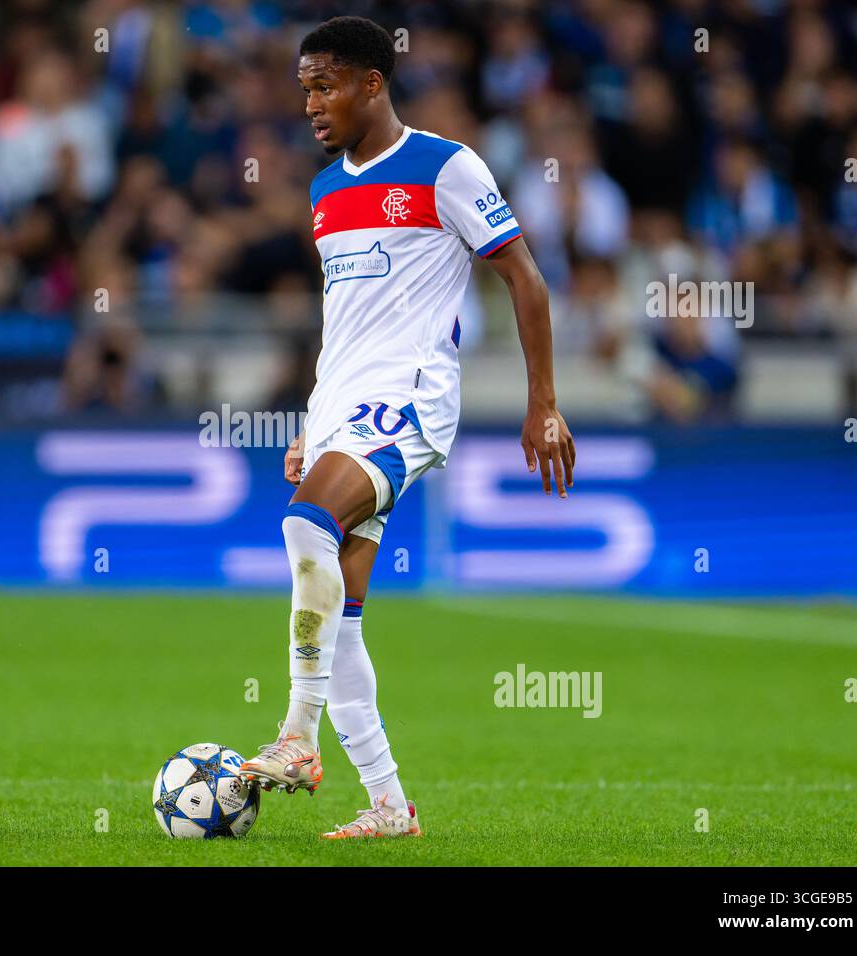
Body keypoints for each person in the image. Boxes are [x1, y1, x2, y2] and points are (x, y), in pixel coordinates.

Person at [237, 16, 576, 839]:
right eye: (304, 88)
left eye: (325, 85)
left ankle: (296, 739)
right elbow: (343, 323)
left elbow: (523, 279)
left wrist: (543, 403)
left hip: (413, 400)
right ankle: (389, 805)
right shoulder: (322, 195)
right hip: (345, 408)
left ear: (371, 83)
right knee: (342, 615)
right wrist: (316, 427)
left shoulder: (443, 166)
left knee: (304, 525)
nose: (312, 104)